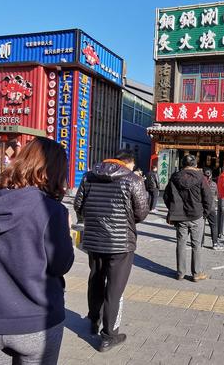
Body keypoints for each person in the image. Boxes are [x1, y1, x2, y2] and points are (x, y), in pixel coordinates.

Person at [0, 138, 74, 365]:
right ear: (54, 171)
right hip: (37, 322)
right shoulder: (51, 211)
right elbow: (61, 264)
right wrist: (67, 233)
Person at [73, 149, 149, 352]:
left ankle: (93, 321)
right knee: (114, 289)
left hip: (94, 239)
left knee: (96, 279)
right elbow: (142, 212)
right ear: (128, 163)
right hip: (120, 243)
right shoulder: (132, 179)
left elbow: (78, 205)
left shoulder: (89, 175)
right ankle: (108, 336)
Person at [164, 154, 212, 282]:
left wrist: (173, 210)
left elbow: (166, 196)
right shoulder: (201, 177)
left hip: (180, 217)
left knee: (181, 244)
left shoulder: (175, 177)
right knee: (196, 245)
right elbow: (208, 197)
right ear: (195, 164)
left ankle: (180, 273)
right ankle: (196, 273)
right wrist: (204, 213)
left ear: (182, 164)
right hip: (197, 215)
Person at [202, 168, 223, 250]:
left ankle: (201, 243)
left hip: (202, 207)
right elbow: (217, 194)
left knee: (201, 226)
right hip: (211, 207)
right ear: (211, 175)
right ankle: (214, 243)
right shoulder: (214, 184)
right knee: (213, 226)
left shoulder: (200, 183)